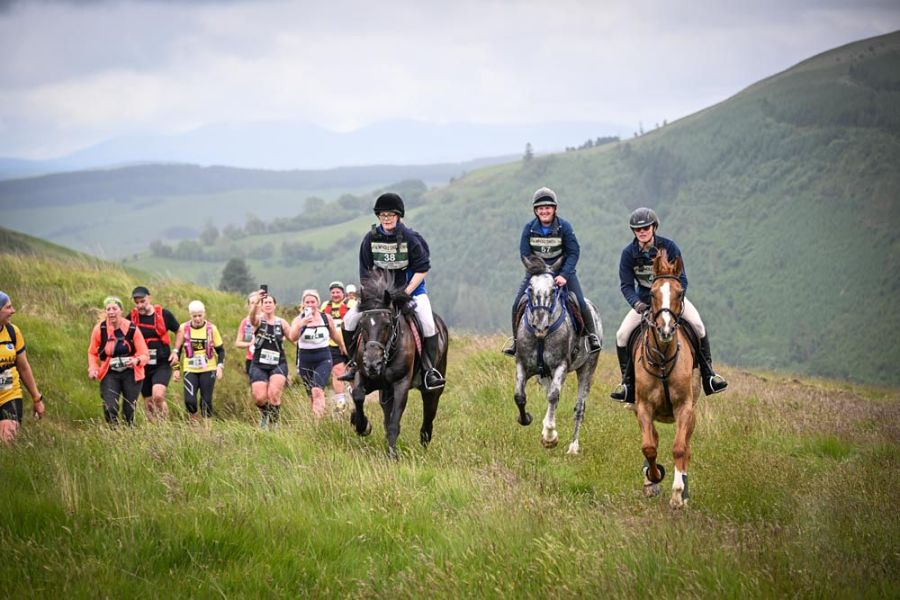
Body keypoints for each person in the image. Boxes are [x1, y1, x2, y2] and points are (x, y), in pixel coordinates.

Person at [610, 207, 728, 403]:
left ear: (654, 227)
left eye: (646, 227)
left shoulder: (669, 247)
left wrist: (675, 302)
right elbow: (626, 285)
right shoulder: (629, 253)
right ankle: (627, 385)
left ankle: (709, 376)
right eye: (638, 229)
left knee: (698, 326)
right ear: (633, 232)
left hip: (672, 301)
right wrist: (637, 303)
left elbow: (682, 279)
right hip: (645, 303)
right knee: (622, 335)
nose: (642, 231)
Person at [338, 192, 445, 390]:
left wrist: (406, 291)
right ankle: (353, 363)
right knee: (349, 320)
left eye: (391, 215)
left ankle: (429, 370)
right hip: (380, 295)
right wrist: (373, 295)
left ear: (398, 216)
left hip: (411, 291)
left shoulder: (411, 239)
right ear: (378, 217)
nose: (386, 219)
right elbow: (365, 273)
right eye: (383, 215)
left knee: (428, 324)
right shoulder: (370, 239)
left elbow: (422, 269)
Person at [503, 187, 602, 356]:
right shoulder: (529, 228)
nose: (544, 211)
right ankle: (516, 342)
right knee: (517, 303)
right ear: (536, 211)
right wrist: (537, 272)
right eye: (540, 208)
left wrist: (563, 275)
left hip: (562, 273)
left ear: (554, 209)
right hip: (536, 274)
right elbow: (525, 254)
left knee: (579, 301)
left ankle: (591, 336)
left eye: (548, 207)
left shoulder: (564, 227)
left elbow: (573, 252)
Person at [88, 296, 150, 426]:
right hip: (109, 373)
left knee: (129, 410)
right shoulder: (100, 329)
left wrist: (136, 361)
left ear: (121, 311)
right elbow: (92, 352)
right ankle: (113, 433)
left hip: (131, 373)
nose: (111, 312)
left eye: (114, 308)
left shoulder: (132, 329)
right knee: (111, 408)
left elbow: (145, 354)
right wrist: (93, 369)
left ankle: (129, 434)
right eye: (108, 309)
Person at [289, 290, 347, 418]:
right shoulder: (298, 319)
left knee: (317, 390)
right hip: (305, 359)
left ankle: (317, 423)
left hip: (323, 358)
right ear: (303, 304)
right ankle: (317, 419)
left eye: (313, 301)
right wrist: (301, 324)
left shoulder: (326, 318)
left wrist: (342, 346)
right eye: (307, 302)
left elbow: (334, 334)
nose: (310, 304)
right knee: (311, 395)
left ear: (318, 303)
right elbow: (292, 337)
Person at [0, 291, 45, 443]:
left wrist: (36, 398)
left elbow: (24, 367)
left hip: (9, 394)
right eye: (8, 307)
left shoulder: (13, 332)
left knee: (7, 441)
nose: (13, 311)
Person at [129, 286, 179, 421]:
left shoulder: (164, 314)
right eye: (137, 302)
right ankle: (155, 431)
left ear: (149, 298)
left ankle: (166, 426)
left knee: (158, 396)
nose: (140, 305)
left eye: (142, 301)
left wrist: (176, 351)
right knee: (149, 402)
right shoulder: (132, 317)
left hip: (162, 363)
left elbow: (179, 331)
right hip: (142, 365)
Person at [172, 301, 225, 426]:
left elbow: (221, 350)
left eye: (200, 315)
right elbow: (177, 351)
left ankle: (207, 430)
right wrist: (176, 369)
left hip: (208, 368)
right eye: (194, 316)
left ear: (204, 314)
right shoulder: (183, 328)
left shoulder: (212, 329)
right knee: (190, 401)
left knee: (206, 401)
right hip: (190, 369)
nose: (197, 319)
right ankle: (195, 426)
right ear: (190, 315)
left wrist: (220, 366)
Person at [248, 290, 290, 429]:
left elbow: (293, 337)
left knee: (273, 394)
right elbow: (252, 319)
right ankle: (265, 414)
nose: (267, 304)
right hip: (259, 363)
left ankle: (274, 423)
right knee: (260, 397)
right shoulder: (259, 320)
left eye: (270, 302)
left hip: (278, 363)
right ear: (261, 305)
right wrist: (255, 304)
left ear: (275, 305)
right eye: (265, 302)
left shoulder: (281, 322)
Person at [321, 281, 350, 409]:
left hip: (351, 344)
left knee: (353, 371)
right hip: (332, 344)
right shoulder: (325, 306)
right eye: (333, 292)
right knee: (337, 371)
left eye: (338, 292)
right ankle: (340, 402)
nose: (335, 294)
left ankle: (354, 394)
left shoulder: (351, 304)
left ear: (343, 293)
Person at [234, 291, 261, 376]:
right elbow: (238, 343)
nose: (255, 305)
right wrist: (249, 343)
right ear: (249, 306)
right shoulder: (245, 322)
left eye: (257, 302)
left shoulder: (268, 319)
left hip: (268, 359)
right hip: (251, 359)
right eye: (252, 303)